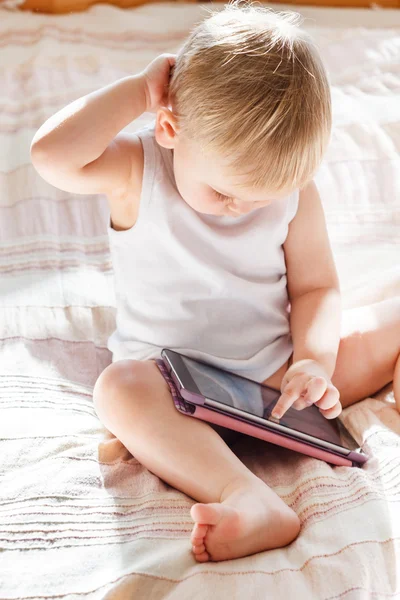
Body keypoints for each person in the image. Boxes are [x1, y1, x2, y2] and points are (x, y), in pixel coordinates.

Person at [30, 3, 400, 563]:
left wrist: (315, 361)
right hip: (171, 384)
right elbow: (50, 156)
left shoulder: (291, 193)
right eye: (227, 193)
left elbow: (317, 290)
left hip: (277, 380)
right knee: (117, 391)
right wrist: (138, 91)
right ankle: (248, 499)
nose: (243, 209)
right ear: (170, 129)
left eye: (266, 195)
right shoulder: (138, 169)